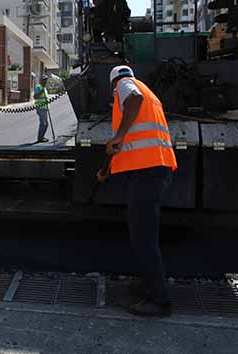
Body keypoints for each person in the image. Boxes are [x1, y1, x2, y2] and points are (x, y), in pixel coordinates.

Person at [102, 65, 177, 316]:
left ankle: (159, 299)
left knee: (143, 238)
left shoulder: (124, 86)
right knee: (145, 235)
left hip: (148, 172)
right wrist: (107, 167)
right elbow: (130, 139)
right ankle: (149, 283)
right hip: (157, 169)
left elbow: (133, 99)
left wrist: (119, 135)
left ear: (113, 84)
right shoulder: (151, 93)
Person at [33, 75, 50, 143]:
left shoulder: (44, 88)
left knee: (46, 124)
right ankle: (40, 138)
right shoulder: (38, 87)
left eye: (46, 79)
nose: (45, 81)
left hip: (45, 108)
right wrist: (41, 91)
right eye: (44, 80)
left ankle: (42, 137)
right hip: (40, 108)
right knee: (43, 124)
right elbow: (35, 97)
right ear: (41, 81)